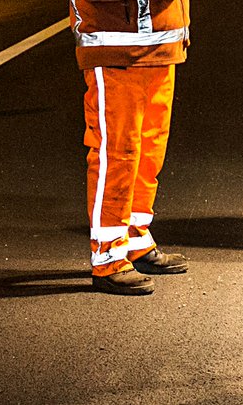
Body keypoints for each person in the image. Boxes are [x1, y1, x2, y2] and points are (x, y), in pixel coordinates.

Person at [71, 0, 192, 295]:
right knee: (116, 153)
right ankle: (108, 256)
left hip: (163, 44)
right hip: (115, 44)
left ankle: (135, 237)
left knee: (150, 150)